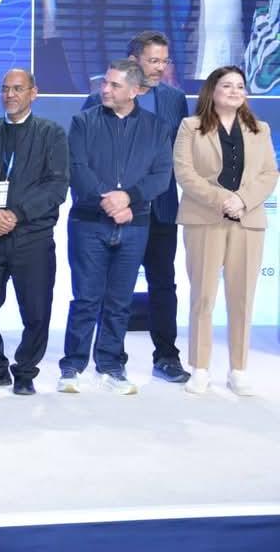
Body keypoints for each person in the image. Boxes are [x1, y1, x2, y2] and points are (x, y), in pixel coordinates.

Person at [60, 59, 173, 395]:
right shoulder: (83, 121)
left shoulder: (157, 127)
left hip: (134, 225)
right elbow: (77, 168)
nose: (105, 89)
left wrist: (128, 199)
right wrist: (107, 201)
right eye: (105, 83)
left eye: (114, 85)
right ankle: (72, 366)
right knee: (86, 298)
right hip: (89, 222)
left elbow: (161, 176)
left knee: (120, 300)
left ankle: (110, 365)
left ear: (135, 91)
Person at [83, 31, 190, 383]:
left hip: (159, 209)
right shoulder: (99, 99)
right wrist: (114, 200)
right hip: (115, 211)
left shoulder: (174, 99)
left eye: (164, 60)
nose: (160, 68)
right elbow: (88, 157)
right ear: (133, 60)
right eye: (153, 60)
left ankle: (167, 356)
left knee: (163, 285)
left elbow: (174, 157)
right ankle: (111, 357)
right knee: (114, 288)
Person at [173, 66, 278, 395]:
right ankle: (200, 368)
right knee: (203, 296)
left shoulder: (260, 129)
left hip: (248, 220)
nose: (235, 91)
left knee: (242, 298)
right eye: (227, 85)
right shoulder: (191, 127)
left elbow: (269, 173)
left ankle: (239, 370)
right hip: (205, 218)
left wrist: (242, 201)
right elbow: (185, 173)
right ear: (212, 91)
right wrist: (222, 200)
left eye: (240, 86)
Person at [0, 69, 68, 396]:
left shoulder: (51, 133)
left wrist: (17, 214)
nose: (10, 95)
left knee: (36, 311)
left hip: (33, 237)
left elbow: (57, 186)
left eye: (17, 88)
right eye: (5, 89)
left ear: (33, 93)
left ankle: (26, 371)